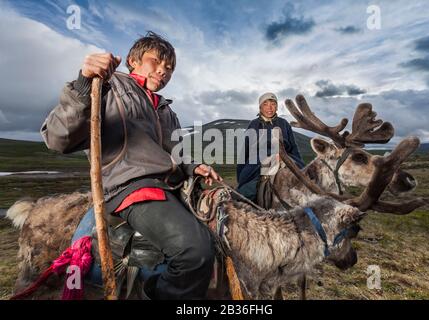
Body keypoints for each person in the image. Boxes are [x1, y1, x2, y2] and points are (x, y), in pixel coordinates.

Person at [41, 31, 222, 299]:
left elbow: (175, 152)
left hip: (168, 186)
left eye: (169, 68)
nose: (163, 71)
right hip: (131, 185)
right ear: (134, 60)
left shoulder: (166, 109)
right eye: (156, 62)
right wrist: (84, 83)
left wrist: (192, 167)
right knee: (195, 250)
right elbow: (58, 138)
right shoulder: (108, 87)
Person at [236, 92, 305, 202]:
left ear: (277, 107)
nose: (270, 107)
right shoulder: (254, 125)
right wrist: (241, 174)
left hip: (285, 159)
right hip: (260, 161)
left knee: (305, 184)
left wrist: (300, 167)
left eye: (273, 104)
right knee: (246, 192)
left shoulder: (284, 123)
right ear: (260, 107)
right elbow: (246, 150)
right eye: (265, 104)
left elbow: (293, 148)